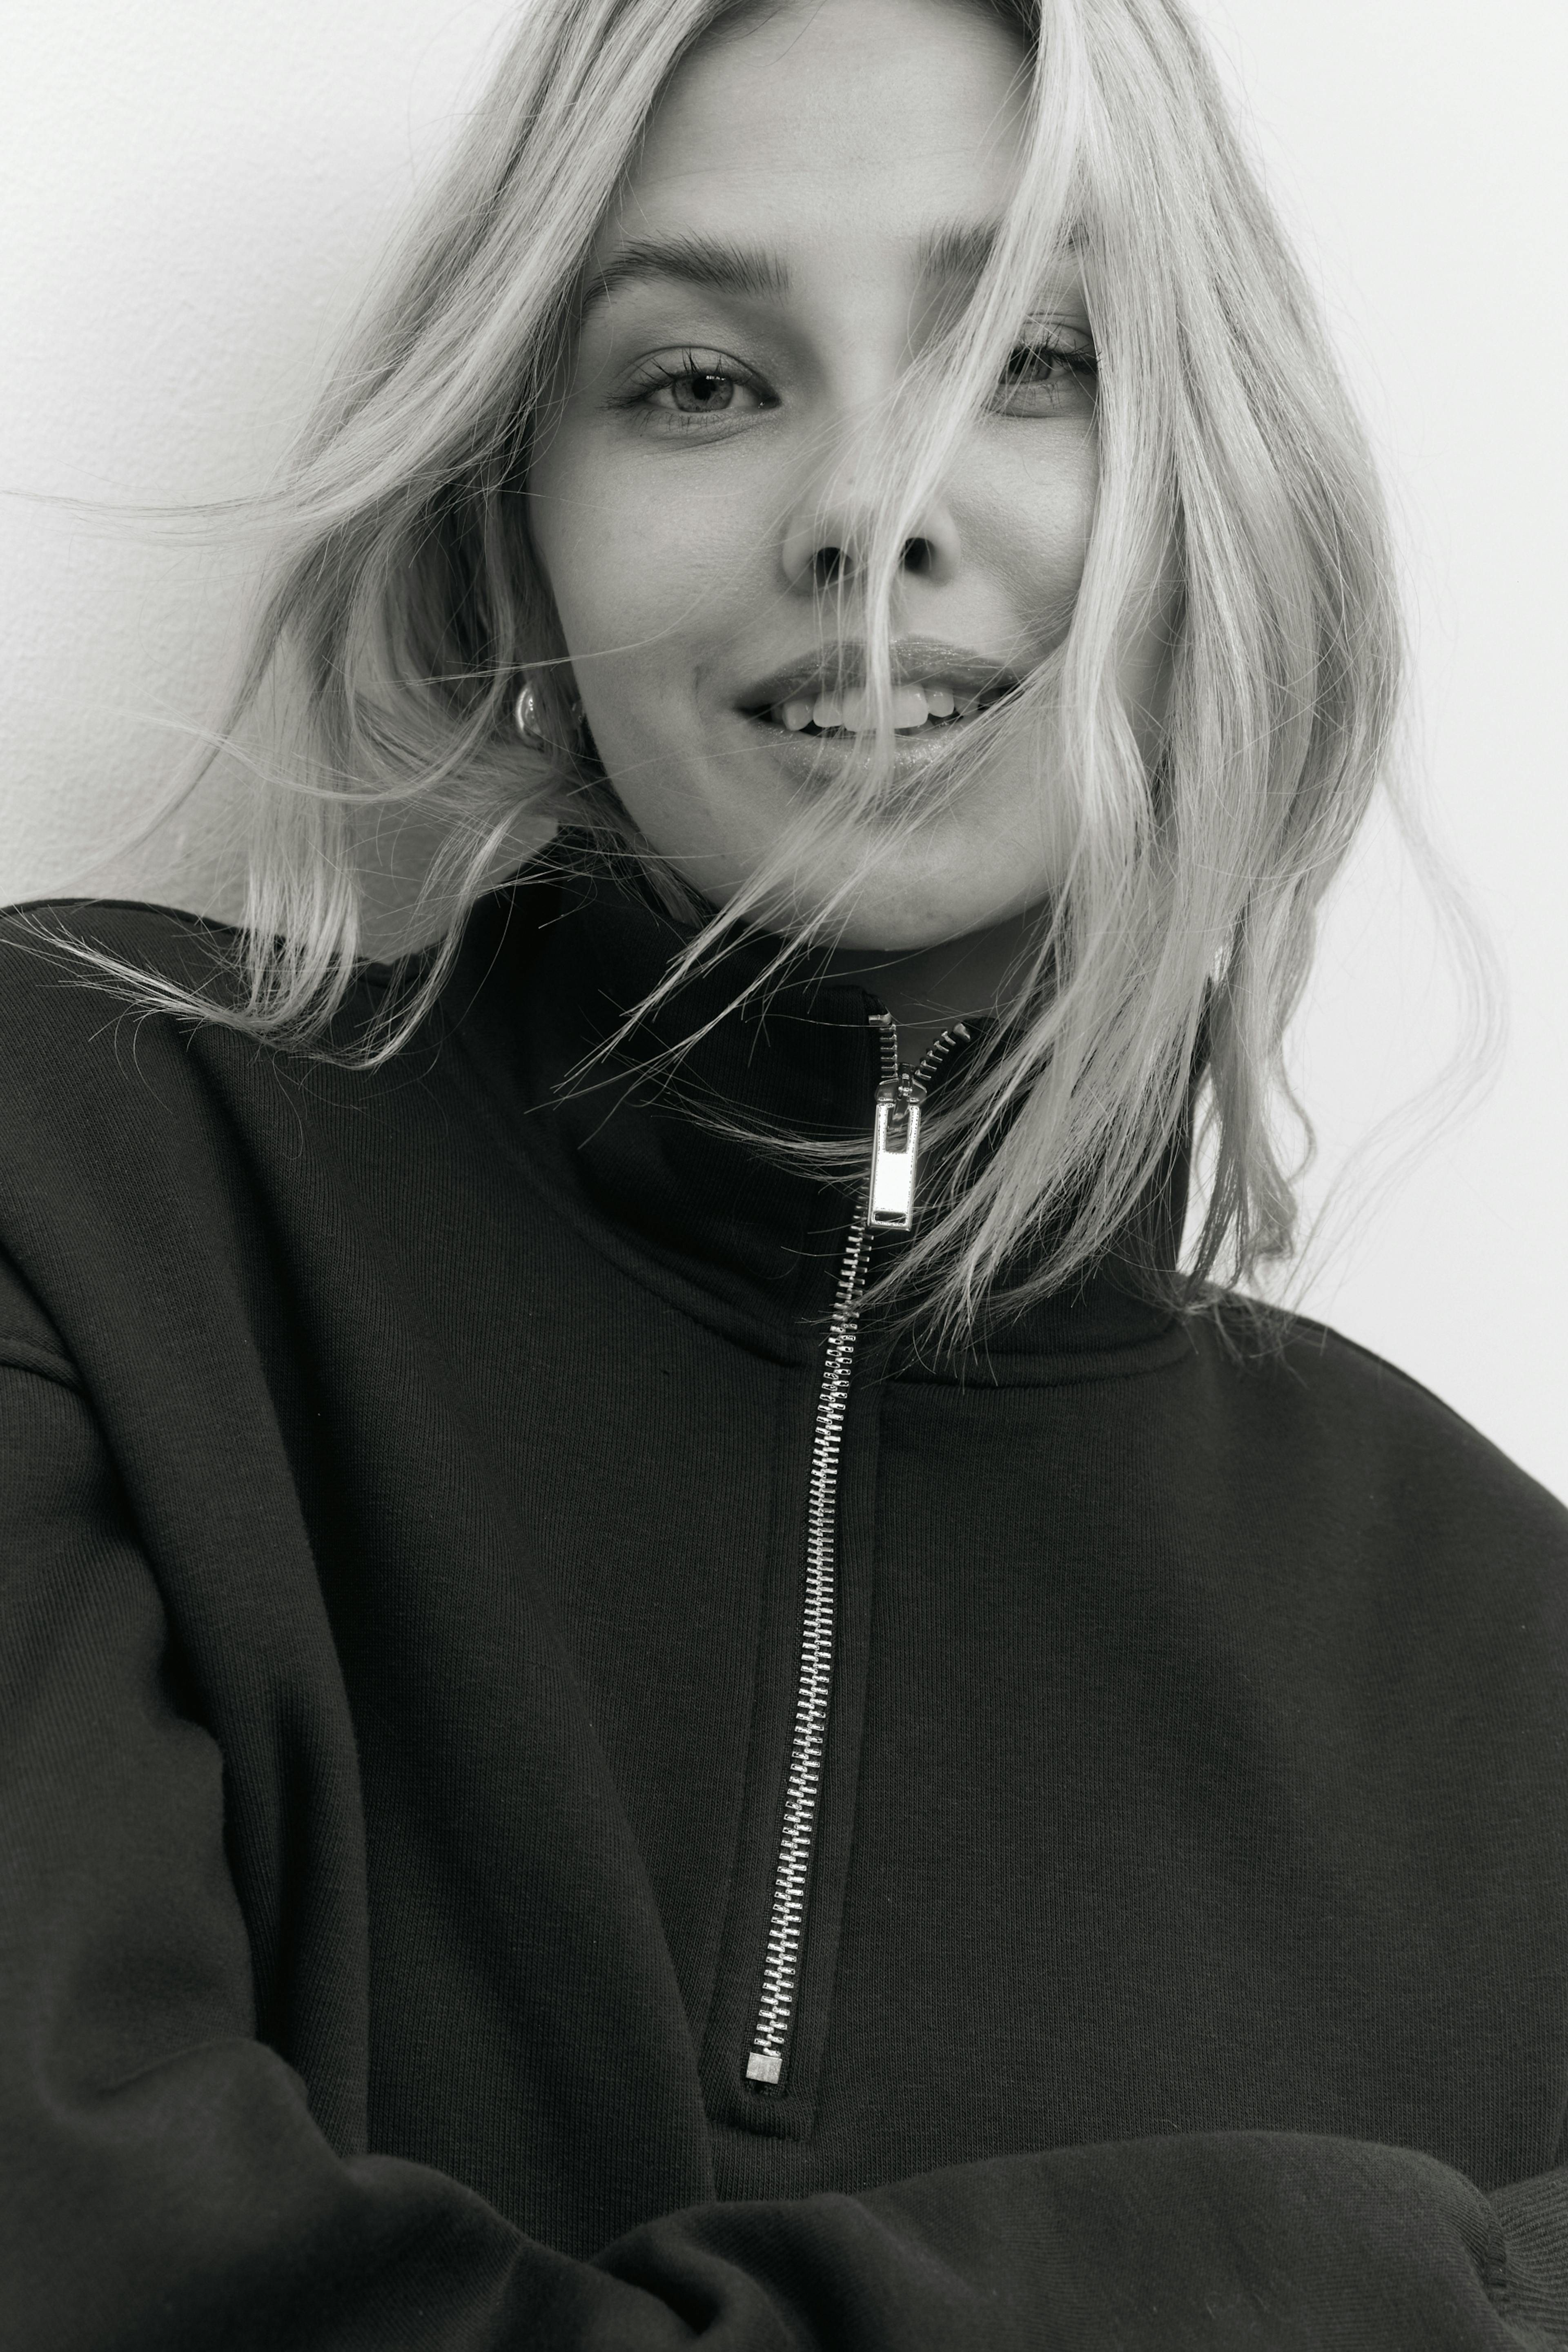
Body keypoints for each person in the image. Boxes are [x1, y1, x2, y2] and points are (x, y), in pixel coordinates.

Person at [2, 0, 1566, 2342]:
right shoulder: (80, 1176)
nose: (872, 503)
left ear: (1230, 479)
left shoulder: (1513, 1665)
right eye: (701, 383)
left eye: (1034, 359)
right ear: (512, 536)